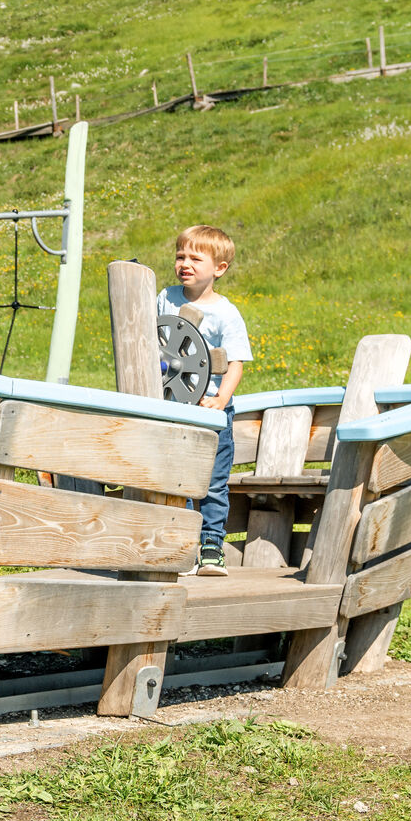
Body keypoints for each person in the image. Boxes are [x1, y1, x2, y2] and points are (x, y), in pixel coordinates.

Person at [158, 224, 252, 577]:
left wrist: (220, 399)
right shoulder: (166, 298)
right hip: (172, 407)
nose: (186, 264)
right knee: (177, 477)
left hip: (211, 411)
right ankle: (182, 545)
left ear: (219, 269)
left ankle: (212, 546)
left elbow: (235, 363)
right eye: (181, 256)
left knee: (212, 482)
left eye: (196, 258)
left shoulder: (226, 314)